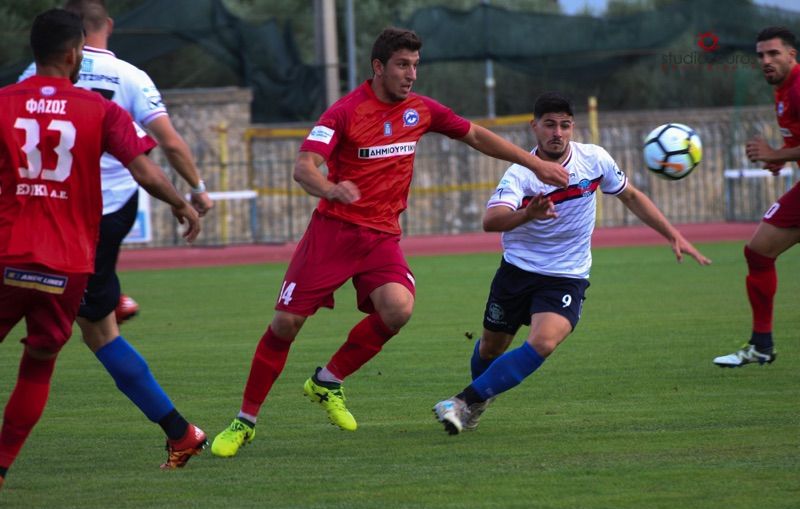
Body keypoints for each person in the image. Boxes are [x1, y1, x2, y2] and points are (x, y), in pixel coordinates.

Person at [210, 27, 570, 457]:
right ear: (378, 67)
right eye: (402, 65)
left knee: (398, 309)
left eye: (415, 65)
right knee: (285, 325)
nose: (411, 74)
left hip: (380, 238)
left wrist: (534, 164)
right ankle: (245, 421)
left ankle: (327, 381)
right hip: (332, 234)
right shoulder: (344, 113)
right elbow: (304, 167)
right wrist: (330, 189)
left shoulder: (421, 110)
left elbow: (475, 134)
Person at [0, 8, 202, 489]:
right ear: (74, 54)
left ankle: (179, 431)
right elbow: (145, 170)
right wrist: (182, 203)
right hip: (69, 263)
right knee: (40, 364)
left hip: (8, 253)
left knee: (101, 332)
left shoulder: (5, 102)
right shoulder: (100, 109)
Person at [432, 92, 712, 435]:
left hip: (567, 275)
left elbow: (631, 195)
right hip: (517, 272)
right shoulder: (521, 174)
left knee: (544, 342)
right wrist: (528, 214)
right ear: (534, 127)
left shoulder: (594, 159)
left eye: (565, 125)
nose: (557, 133)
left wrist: (672, 234)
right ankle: (477, 401)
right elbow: (491, 221)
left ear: (572, 127)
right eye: (549, 124)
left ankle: (462, 402)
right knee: (491, 348)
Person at [713, 26, 800, 368]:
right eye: (761, 55)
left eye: (774, 53)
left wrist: (776, 154)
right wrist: (782, 156)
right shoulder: (783, 90)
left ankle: (762, 345)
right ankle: (761, 345)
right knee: (759, 253)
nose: (766, 60)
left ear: (792, 55)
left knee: (759, 253)